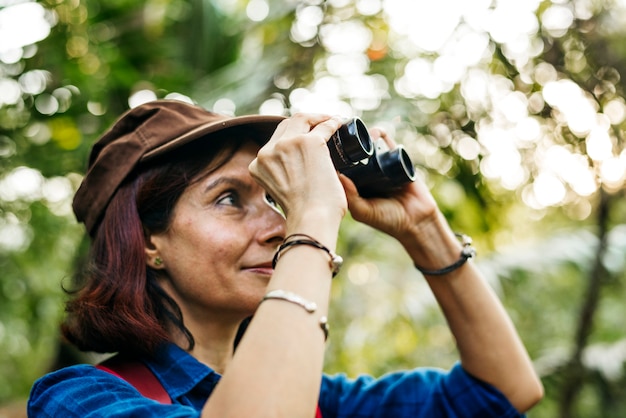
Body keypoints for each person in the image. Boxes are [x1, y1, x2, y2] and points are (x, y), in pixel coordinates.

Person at [27, 99, 543, 417]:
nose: (278, 225)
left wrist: (425, 228)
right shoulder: (79, 402)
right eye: (230, 199)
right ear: (147, 241)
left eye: (274, 199)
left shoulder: (320, 402)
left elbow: (502, 393)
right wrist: (314, 214)